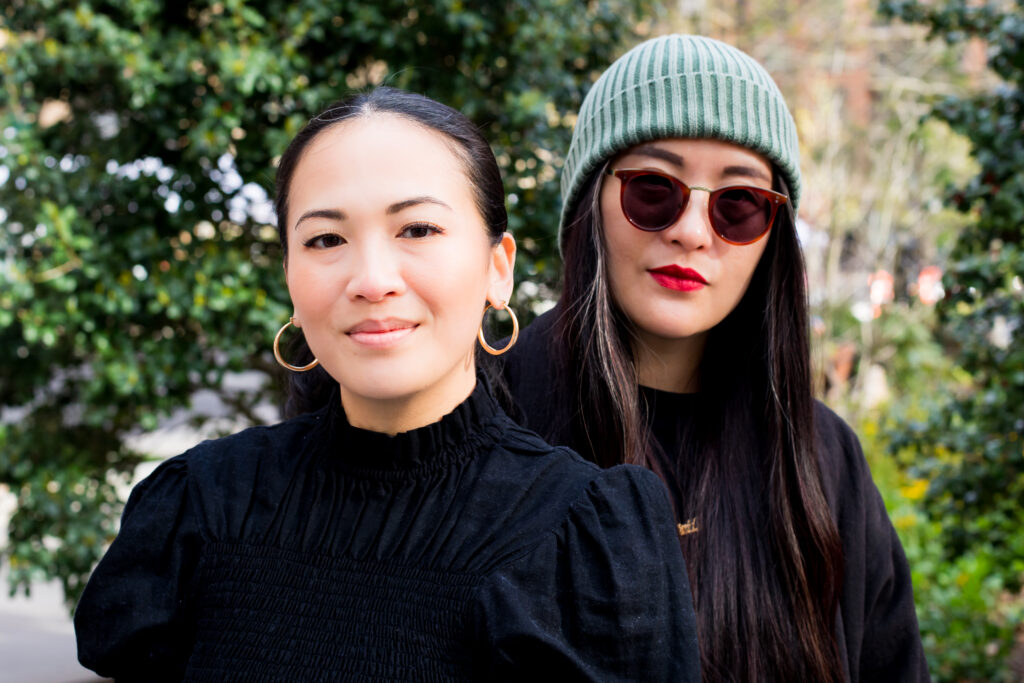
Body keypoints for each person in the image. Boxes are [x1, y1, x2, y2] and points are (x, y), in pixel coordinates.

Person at [74, 87, 700, 682]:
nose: (372, 279)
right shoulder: (200, 506)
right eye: (326, 239)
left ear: (498, 269)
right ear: (289, 276)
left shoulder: (583, 537)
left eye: (417, 230)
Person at [501, 35, 930, 682]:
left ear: (772, 237)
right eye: (653, 188)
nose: (692, 231)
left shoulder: (819, 459)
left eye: (738, 204)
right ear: (591, 203)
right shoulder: (488, 419)